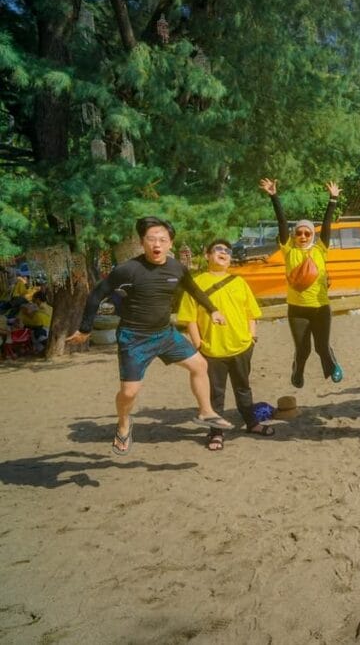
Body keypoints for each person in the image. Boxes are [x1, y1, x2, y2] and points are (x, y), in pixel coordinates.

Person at [66, 216, 232, 455]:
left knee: (199, 365)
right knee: (129, 392)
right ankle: (123, 422)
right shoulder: (128, 269)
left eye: (162, 240)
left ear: (170, 244)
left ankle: (205, 411)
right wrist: (85, 328)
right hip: (134, 338)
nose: (157, 244)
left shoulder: (177, 267)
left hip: (165, 334)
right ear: (142, 243)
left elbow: (194, 291)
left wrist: (213, 310)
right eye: (151, 239)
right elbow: (96, 295)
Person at [177, 239, 268, 452]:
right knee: (215, 394)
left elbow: (251, 313)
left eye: (227, 251)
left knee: (243, 388)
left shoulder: (239, 282)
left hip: (242, 346)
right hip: (212, 349)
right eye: (218, 249)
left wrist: (252, 338)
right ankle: (216, 433)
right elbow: (189, 318)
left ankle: (251, 423)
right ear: (207, 255)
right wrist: (198, 344)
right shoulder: (196, 283)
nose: (224, 253)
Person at [259, 178, 344, 388]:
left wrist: (332, 199)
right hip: (297, 309)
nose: (303, 236)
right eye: (299, 233)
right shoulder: (289, 251)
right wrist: (273, 196)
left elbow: (326, 225)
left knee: (321, 347)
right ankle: (298, 370)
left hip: (321, 307)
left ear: (312, 235)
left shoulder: (320, 249)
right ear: (294, 235)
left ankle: (332, 367)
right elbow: (281, 222)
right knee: (303, 348)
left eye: (307, 233)